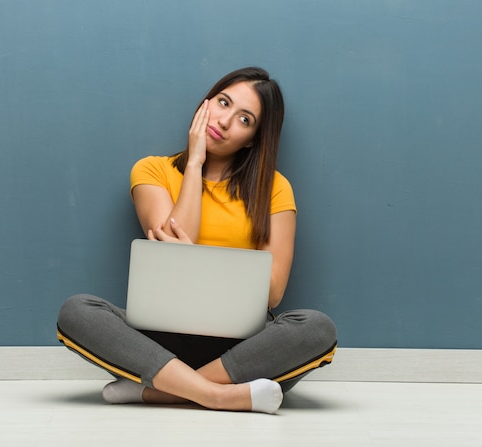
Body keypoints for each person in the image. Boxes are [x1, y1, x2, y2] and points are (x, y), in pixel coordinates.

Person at [57, 67, 337, 414]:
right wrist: (195, 163)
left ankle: (159, 391)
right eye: (223, 102)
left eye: (244, 119)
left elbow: (274, 290)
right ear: (206, 101)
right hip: (158, 337)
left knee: (317, 329)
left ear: (252, 138)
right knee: (76, 311)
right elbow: (172, 244)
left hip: (240, 346)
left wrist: (196, 260)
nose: (224, 120)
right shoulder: (152, 170)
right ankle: (218, 395)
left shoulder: (275, 189)